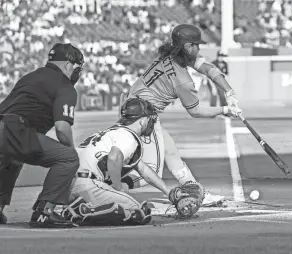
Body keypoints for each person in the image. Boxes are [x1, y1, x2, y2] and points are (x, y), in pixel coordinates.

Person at [119, 24, 242, 206]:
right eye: (196, 45)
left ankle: (194, 188)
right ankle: (112, 187)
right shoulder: (182, 80)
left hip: (133, 107)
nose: (199, 48)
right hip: (141, 116)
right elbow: (196, 111)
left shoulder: (172, 56)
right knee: (151, 168)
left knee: (169, 151)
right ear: (187, 47)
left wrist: (229, 92)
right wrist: (226, 110)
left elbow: (209, 69)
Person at [0, 43, 84, 228]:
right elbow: (62, 128)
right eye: (79, 68)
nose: (78, 72)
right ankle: (45, 212)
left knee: (13, 159)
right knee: (68, 158)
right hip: (13, 131)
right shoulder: (65, 85)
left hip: (5, 127)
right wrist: (72, 154)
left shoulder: (31, 76)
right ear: (69, 65)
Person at [63, 98, 169, 226]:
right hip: (87, 184)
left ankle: (81, 206)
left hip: (67, 185)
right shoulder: (128, 136)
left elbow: (144, 170)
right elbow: (114, 157)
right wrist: (118, 187)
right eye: (150, 119)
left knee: (125, 205)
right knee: (139, 211)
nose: (152, 122)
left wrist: (168, 193)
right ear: (142, 121)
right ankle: (83, 211)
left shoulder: (113, 133)